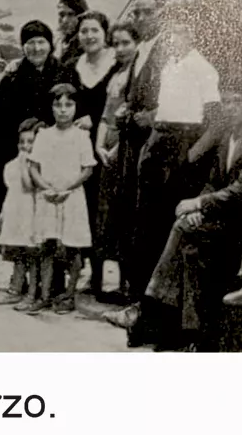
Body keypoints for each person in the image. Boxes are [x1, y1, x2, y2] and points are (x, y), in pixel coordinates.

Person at [131, 88, 242, 351]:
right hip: (220, 215)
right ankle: (187, 333)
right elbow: (213, 182)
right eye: (226, 102)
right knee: (188, 240)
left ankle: (150, 305)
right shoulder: (227, 136)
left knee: (183, 229)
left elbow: (241, 189)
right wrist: (199, 210)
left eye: (237, 101)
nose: (230, 107)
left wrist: (200, 204)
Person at [132, 6, 221, 315]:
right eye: (170, 32)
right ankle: (141, 302)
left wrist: (189, 156)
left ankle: (165, 312)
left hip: (183, 147)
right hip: (159, 142)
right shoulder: (168, 65)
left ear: (193, 34)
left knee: (167, 221)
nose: (175, 37)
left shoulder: (204, 68)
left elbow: (211, 120)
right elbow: (165, 109)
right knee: (147, 221)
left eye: (182, 31)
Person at [0, 20, 59, 249]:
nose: (36, 48)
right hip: (18, 151)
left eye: (41, 42)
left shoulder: (62, 72)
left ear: (50, 44)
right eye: (30, 43)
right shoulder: (13, 78)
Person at [107, 0, 167, 320]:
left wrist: (149, 114)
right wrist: (128, 108)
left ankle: (146, 304)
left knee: (147, 220)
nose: (140, 19)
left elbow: (173, 101)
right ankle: (133, 296)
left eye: (147, 13)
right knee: (127, 213)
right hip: (132, 143)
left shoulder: (167, 49)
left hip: (153, 146)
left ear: (160, 14)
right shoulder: (141, 49)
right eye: (136, 13)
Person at [26, 82, 96, 314]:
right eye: (58, 105)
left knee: (72, 246)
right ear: (51, 107)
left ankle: (69, 294)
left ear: (76, 107)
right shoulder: (44, 135)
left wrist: (66, 187)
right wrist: (46, 188)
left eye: (69, 104)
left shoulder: (81, 136)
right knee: (47, 244)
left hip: (71, 196)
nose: (63, 110)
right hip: (48, 197)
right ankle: (45, 294)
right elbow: (34, 166)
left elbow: (87, 168)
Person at [71, 10, 117, 294]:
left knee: (107, 209)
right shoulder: (74, 66)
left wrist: (93, 117)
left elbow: (119, 100)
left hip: (108, 146)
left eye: (94, 30)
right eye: (84, 31)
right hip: (80, 148)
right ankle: (92, 271)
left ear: (105, 33)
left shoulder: (118, 63)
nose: (89, 36)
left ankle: (114, 279)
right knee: (85, 207)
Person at [94, 19, 139, 296]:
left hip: (125, 146)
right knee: (105, 212)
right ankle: (101, 282)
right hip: (106, 143)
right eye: (116, 44)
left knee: (123, 212)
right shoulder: (115, 75)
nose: (121, 49)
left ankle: (126, 284)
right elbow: (105, 115)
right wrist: (99, 145)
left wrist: (117, 147)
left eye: (126, 43)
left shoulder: (138, 76)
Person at [0, 119, 42, 309]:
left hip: (29, 213)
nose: (25, 146)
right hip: (15, 212)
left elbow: (27, 186)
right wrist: (2, 214)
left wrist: (25, 165)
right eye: (22, 142)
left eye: (30, 142)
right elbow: (11, 191)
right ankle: (15, 290)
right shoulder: (10, 166)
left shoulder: (35, 166)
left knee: (30, 253)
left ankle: (31, 293)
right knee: (17, 254)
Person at [55, 0, 89, 68]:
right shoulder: (57, 43)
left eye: (71, 15)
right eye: (61, 15)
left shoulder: (85, 45)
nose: (64, 20)